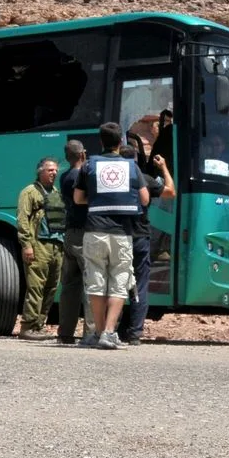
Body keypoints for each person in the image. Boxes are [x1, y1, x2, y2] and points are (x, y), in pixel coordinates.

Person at [74, 122, 147, 350]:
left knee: (95, 281)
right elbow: (144, 199)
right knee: (119, 282)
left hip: (94, 230)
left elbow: (78, 199)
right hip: (121, 233)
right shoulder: (132, 168)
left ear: (101, 142)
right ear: (120, 143)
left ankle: (95, 333)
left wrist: (96, 200)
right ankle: (109, 332)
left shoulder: (89, 165)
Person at [118, 137, 175, 345]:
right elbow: (171, 191)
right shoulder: (145, 179)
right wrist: (164, 167)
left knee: (114, 283)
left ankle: (110, 329)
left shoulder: (111, 180)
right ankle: (134, 333)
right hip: (140, 237)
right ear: (136, 159)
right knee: (139, 285)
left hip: (116, 236)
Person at [15, 156, 64, 341]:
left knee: (51, 288)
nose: (54, 173)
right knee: (36, 287)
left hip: (57, 246)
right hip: (39, 245)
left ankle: (39, 326)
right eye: (50, 170)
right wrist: (26, 245)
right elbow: (22, 220)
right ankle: (28, 326)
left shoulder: (56, 192)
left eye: (55, 170)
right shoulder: (29, 192)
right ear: (40, 171)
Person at [56, 139, 90, 345]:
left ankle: (65, 332)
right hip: (84, 234)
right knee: (90, 284)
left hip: (70, 233)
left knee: (69, 286)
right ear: (82, 155)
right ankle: (90, 332)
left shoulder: (64, 176)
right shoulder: (81, 176)